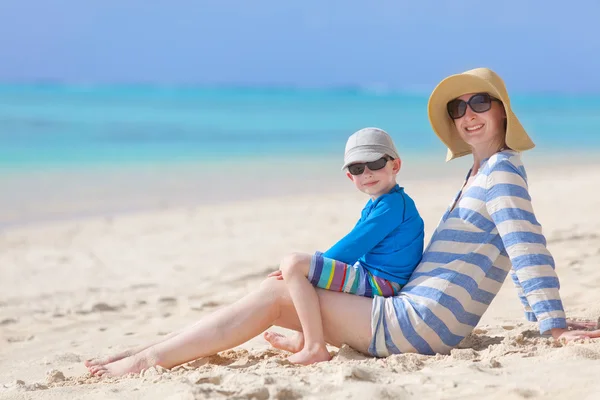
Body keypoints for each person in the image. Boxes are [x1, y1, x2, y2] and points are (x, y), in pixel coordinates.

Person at [85, 67, 600, 377]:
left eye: (480, 103)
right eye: (458, 107)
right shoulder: (480, 173)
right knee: (274, 293)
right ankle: (152, 351)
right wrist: (548, 320)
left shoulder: (503, 171)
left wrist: (552, 325)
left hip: (421, 325)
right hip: (412, 313)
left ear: (503, 110)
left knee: (274, 294)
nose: (468, 114)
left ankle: (147, 361)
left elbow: (526, 245)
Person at [267, 127, 424, 364]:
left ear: (395, 166)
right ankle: (302, 340)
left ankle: (314, 346)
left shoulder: (392, 206)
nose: (368, 172)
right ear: (351, 177)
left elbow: (352, 246)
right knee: (306, 274)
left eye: (376, 162)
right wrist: (317, 266)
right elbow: (354, 245)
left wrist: (312, 265)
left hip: (383, 283)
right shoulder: (380, 203)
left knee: (295, 264)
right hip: (373, 275)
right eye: (357, 168)